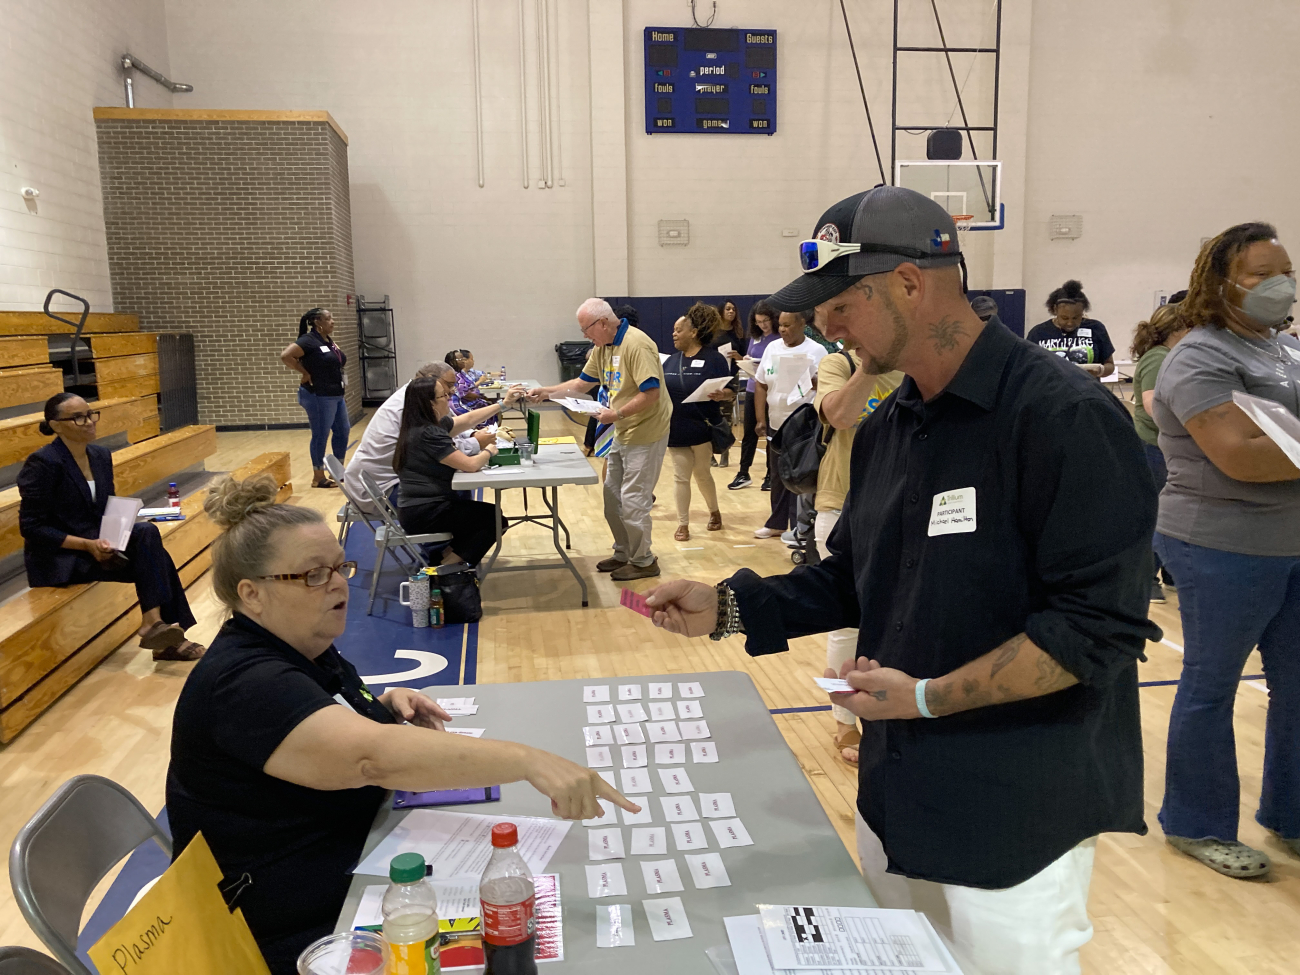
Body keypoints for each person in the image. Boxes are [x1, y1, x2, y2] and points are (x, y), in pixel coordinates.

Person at [644, 186, 1159, 975]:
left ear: (911, 284)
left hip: (1017, 805)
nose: (823, 324)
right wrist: (731, 604)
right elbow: (856, 575)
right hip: (897, 792)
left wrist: (925, 697)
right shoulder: (892, 423)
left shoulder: (1064, 419)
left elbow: (1094, 630)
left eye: (839, 304)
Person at [166, 475, 636, 973]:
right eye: (311, 575)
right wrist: (527, 760)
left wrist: (384, 704)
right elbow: (368, 758)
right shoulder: (243, 682)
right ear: (251, 594)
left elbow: (332, 714)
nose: (337, 583)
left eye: (339, 567)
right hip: (289, 927)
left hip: (351, 860)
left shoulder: (302, 644)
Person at [1151, 222, 1300, 879]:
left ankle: (1291, 816)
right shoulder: (1200, 356)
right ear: (1219, 285)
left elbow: (1280, 449)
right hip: (1221, 544)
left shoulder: (1284, 350)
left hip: (1290, 544)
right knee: (1211, 686)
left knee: (1296, 689)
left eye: (1285, 271)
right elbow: (1239, 456)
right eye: (1259, 274)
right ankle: (1196, 823)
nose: (1279, 285)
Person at [17, 393, 204, 661]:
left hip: (99, 546)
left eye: (90, 414)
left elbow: (102, 511)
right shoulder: (43, 463)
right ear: (56, 425)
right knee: (156, 556)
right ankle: (165, 635)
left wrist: (116, 531)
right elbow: (32, 529)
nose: (89, 421)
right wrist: (87, 545)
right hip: (63, 557)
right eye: (78, 417)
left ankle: (156, 624)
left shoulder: (100, 455)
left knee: (147, 534)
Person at [527, 299, 672, 581]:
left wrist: (616, 413)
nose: (585, 336)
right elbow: (582, 384)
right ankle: (623, 552)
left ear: (603, 323)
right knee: (611, 497)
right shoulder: (602, 347)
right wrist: (546, 392)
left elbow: (651, 393)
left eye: (586, 329)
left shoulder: (637, 344)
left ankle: (644, 561)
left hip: (646, 430)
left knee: (633, 500)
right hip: (623, 429)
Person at [811, 330, 903, 766]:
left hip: (904, 507)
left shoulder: (918, 370)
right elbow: (840, 415)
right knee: (846, 623)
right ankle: (844, 723)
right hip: (841, 504)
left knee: (899, 620)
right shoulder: (839, 365)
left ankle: (890, 717)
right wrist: (870, 364)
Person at [343, 362, 513, 513]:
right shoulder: (410, 412)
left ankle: (447, 545)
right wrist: (483, 447)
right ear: (431, 381)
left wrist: (502, 405)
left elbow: (459, 423)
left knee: (458, 491)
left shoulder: (418, 400)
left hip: (392, 479)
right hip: (382, 489)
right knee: (459, 495)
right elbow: (447, 454)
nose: (452, 392)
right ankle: (441, 547)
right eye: (448, 386)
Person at [394, 378, 510, 568]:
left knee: (485, 515)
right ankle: (444, 569)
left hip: (420, 508)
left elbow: (469, 419)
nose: (449, 398)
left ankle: (443, 558)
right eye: (444, 395)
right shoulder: (429, 433)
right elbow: (470, 465)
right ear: (431, 403)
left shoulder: (422, 425)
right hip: (424, 512)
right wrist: (489, 450)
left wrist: (503, 404)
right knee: (495, 519)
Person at [1130, 303, 1188, 602]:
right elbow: (1153, 405)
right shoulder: (1158, 358)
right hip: (1153, 446)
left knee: (1169, 514)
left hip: (1164, 447)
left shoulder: (1170, 356)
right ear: (1177, 330)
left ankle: (1169, 573)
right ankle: (1146, 578)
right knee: (1156, 514)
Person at [752, 310, 827, 539]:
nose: (783, 329)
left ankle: (800, 526)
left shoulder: (817, 351)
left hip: (803, 426)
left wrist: (813, 382)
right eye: (781, 325)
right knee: (777, 474)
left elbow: (825, 385)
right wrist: (760, 419)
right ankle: (776, 522)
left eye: (787, 325)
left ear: (802, 323)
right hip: (776, 421)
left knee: (801, 476)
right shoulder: (772, 348)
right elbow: (761, 383)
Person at [664, 303, 733, 541]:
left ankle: (714, 511)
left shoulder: (714, 360)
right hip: (676, 428)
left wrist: (723, 394)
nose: (673, 334)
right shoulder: (669, 362)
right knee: (680, 476)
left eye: (678, 329)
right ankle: (683, 524)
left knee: (702, 473)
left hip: (703, 426)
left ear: (693, 332)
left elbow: (731, 391)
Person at [281, 308, 349, 489]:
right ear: (318, 322)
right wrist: (304, 372)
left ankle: (338, 472)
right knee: (321, 434)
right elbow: (286, 355)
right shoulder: (308, 340)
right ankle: (318, 477)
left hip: (336, 395)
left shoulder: (328, 341)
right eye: (328, 319)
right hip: (318, 395)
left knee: (343, 431)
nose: (332, 321)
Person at [729, 301, 779, 491]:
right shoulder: (755, 338)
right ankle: (743, 473)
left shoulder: (778, 337)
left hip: (771, 389)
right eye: (759, 322)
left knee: (768, 433)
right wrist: (746, 361)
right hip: (753, 387)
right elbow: (749, 357)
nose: (763, 325)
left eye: (766, 320)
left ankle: (769, 474)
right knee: (748, 432)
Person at [1026, 281, 1116, 378]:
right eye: (1064, 318)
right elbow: (1027, 366)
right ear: (1055, 310)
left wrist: (1100, 370)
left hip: (1087, 390)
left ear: (1083, 311)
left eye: (1076, 317)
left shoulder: (1096, 328)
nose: (1070, 323)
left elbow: (1110, 365)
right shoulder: (1038, 333)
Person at [710, 298, 747, 468]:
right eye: (728, 309)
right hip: (713, 377)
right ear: (721, 311)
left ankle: (725, 453)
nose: (731, 312)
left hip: (731, 377)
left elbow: (745, 357)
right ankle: (710, 453)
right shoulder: (713, 332)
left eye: (733, 309)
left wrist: (738, 357)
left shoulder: (738, 333)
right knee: (710, 415)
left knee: (727, 417)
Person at [445, 349, 497, 419]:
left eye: (463, 358)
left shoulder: (461, 373)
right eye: (460, 359)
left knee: (491, 409)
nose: (463, 361)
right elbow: (466, 394)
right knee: (489, 411)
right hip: (460, 404)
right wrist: (477, 396)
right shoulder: (454, 375)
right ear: (452, 362)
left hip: (470, 402)